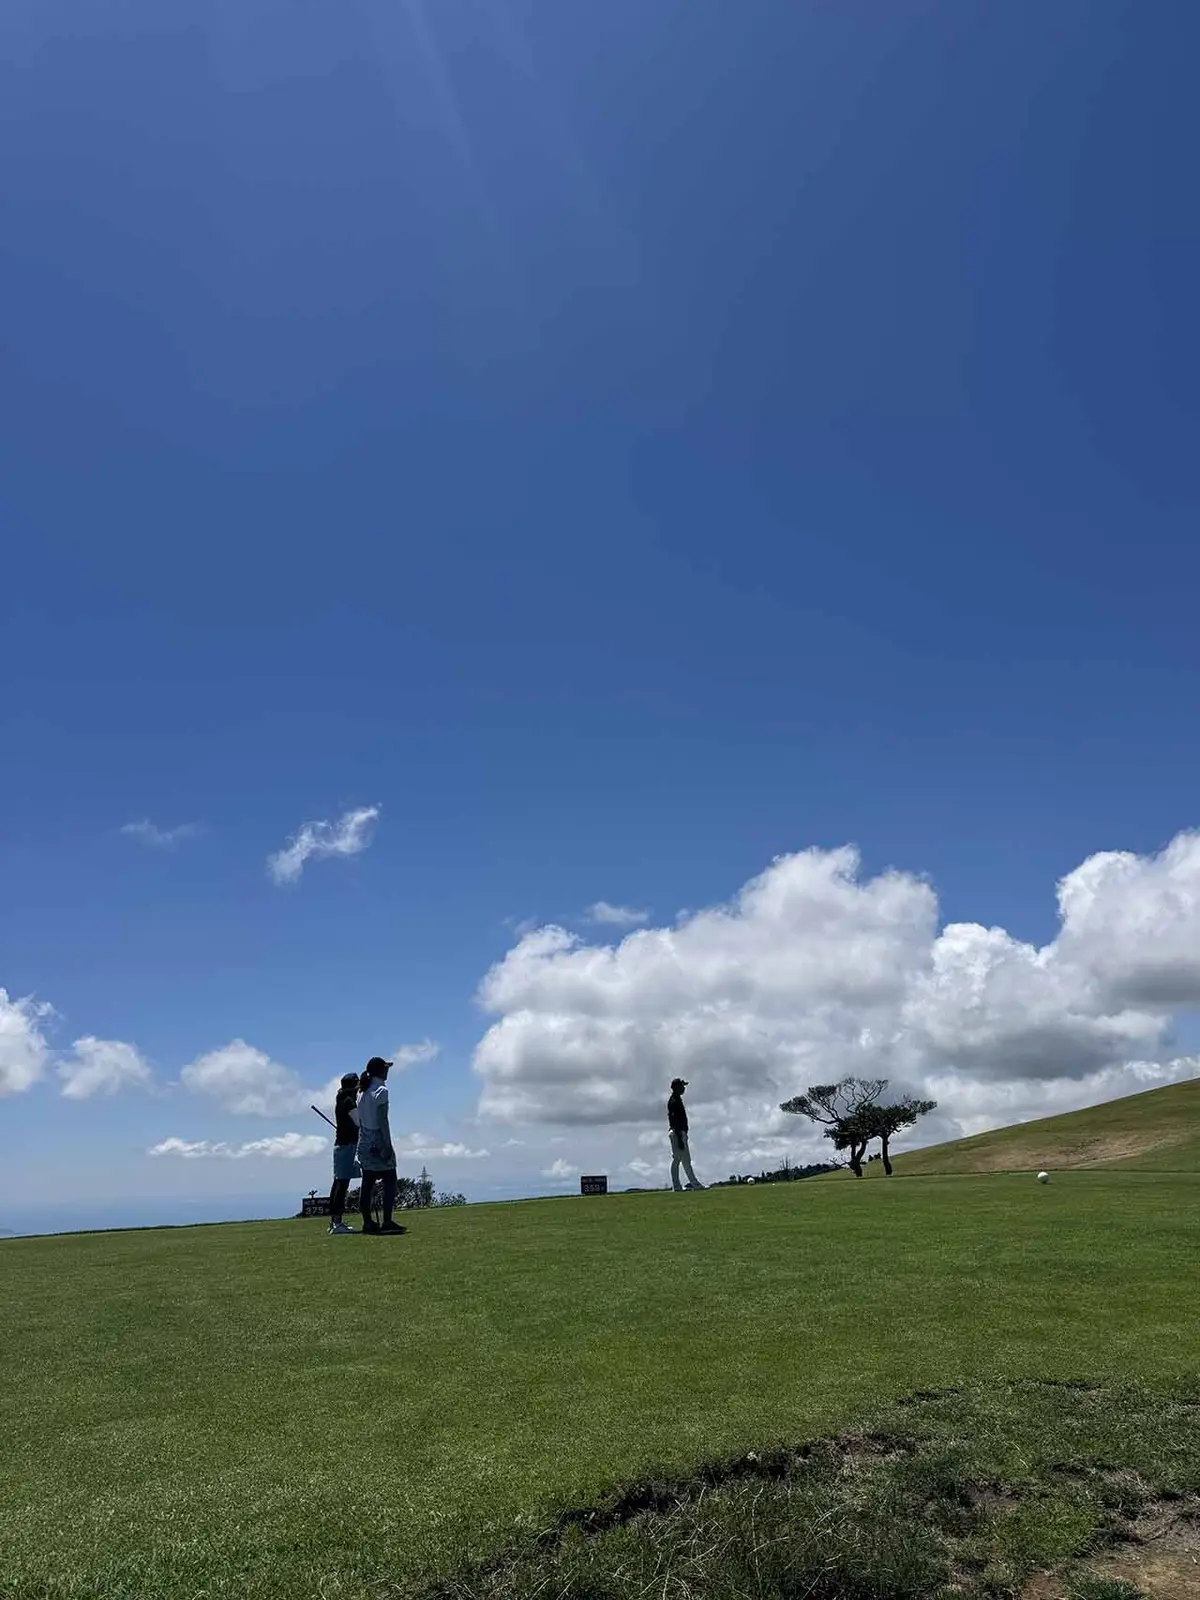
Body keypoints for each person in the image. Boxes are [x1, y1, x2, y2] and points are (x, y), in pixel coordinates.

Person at [356, 1057, 405, 1235]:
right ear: (381, 1071)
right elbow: (383, 1121)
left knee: (367, 1182)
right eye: (385, 1068)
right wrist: (387, 1146)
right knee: (390, 1179)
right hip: (378, 1138)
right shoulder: (382, 1091)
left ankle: (368, 1222)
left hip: (364, 1140)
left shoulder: (361, 1092)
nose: (387, 1071)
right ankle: (387, 1221)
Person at [327, 1072, 362, 1236]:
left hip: (341, 1145)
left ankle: (335, 1222)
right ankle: (337, 1223)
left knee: (338, 1183)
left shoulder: (341, 1100)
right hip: (347, 1146)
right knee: (342, 1185)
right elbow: (358, 1122)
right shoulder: (349, 1102)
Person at [668, 1077, 705, 1191]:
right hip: (677, 1133)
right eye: (682, 1086)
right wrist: (679, 1137)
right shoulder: (674, 1101)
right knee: (681, 1160)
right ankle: (693, 1184)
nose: (684, 1088)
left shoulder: (677, 1099)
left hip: (679, 1132)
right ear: (676, 1088)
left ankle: (680, 1186)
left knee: (681, 1160)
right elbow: (675, 1120)